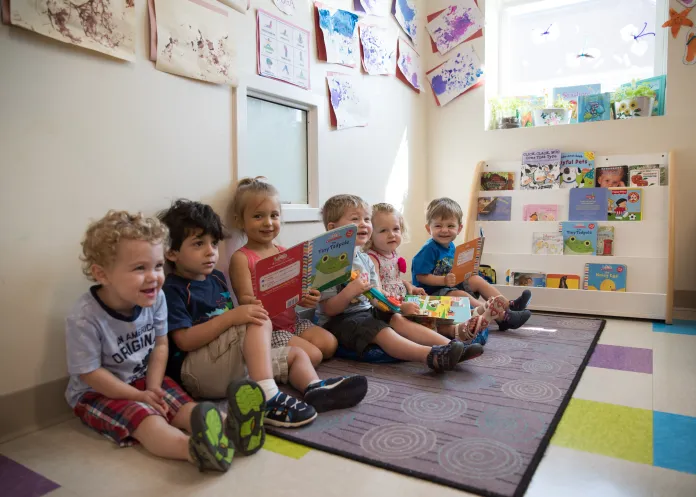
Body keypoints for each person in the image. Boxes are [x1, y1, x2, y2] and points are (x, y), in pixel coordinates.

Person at [65, 210, 263, 472]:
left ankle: (234, 428)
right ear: (102, 274)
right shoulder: (85, 317)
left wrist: (153, 387)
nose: (154, 277)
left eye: (157, 266)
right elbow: (91, 374)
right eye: (139, 268)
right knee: (147, 420)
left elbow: (160, 345)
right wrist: (138, 395)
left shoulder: (156, 298)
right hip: (97, 392)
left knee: (184, 407)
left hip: (145, 380)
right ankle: (194, 450)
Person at [158, 200, 367, 428]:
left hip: (230, 363)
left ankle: (315, 388)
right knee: (257, 318)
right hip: (198, 372)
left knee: (296, 354)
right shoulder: (173, 289)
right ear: (171, 252)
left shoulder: (215, 278)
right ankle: (267, 396)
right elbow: (184, 341)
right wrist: (232, 317)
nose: (211, 252)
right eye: (198, 244)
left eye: (214, 244)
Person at [316, 194, 509, 372]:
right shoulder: (327, 263)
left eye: (366, 219)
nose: (364, 224)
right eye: (355, 219)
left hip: (370, 309)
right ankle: (429, 356)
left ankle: (452, 345)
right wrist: (351, 291)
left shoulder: (364, 259)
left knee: (399, 319)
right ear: (333, 229)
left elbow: (377, 295)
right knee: (380, 330)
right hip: (342, 320)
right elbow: (328, 310)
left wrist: (396, 308)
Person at [228, 177, 338, 367]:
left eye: (274, 215)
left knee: (329, 344)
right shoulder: (242, 258)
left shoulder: (283, 252)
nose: (268, 223)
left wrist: (306, 297)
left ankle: (288, 354)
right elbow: (245, 299)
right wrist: (271, 296)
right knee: (314, 356)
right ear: (240, 221)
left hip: (293, 322)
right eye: (258, 216)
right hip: (269, 330)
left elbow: (295, 291)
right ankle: (262, 360)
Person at [366, 202, 500, 344]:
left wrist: (410, 287)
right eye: (383, 231)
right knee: (426, 315)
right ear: (370, 234)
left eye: (396, 229)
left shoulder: (392, 254)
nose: (391, 234)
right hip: (390, 307)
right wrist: (400, 306)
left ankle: (473, 316)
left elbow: (392, 279)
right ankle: (456, 329)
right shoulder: (371, 258)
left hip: (404, 299)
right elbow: (377, 291)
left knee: (442, 307)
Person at [412, 197, 532, 332]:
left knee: (475, 279)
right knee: (459, 293)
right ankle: (502, 317)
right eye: (438, 226)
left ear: (459, 228)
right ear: (429, 228)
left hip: (448, 287)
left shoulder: (451, 246)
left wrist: (468, 270)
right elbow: (420, 277)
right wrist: (444, 280)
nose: (444, 230)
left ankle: (507, 306)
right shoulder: (429, 249)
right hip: (430, 295)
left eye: (450, 226)